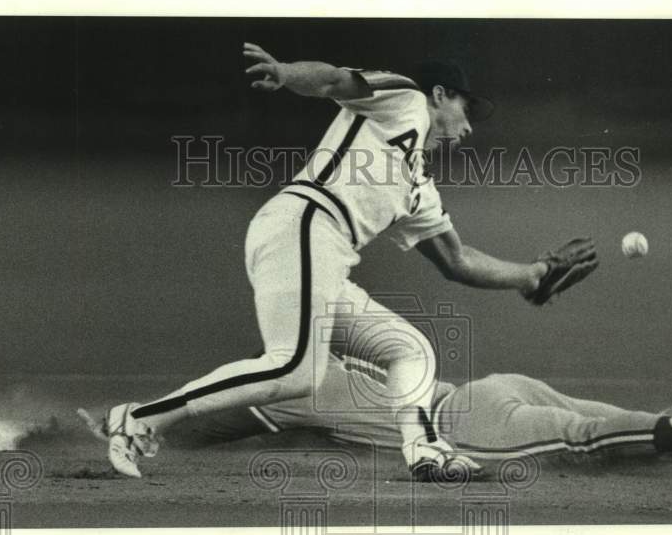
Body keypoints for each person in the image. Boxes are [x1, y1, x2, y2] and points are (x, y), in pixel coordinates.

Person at [94, 43, 595, 482]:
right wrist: (289, 74)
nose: (467, 127)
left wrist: (531, 274)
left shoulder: (417, 183)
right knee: (293, 371)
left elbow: (456, 259)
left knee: (409, 350)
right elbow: (336, 79)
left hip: (323, 252)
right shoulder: (405, 98)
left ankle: (423, 449)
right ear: (440, 94)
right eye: (467, 108)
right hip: (305, 225)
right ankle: (138, 418)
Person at [133, 353, 672, 474]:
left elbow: (216, 420)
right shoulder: (349, 362)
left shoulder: (296, 385)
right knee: (626, 421)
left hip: (471, 424)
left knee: (587, 440)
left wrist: (158, 430)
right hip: (500, 384)